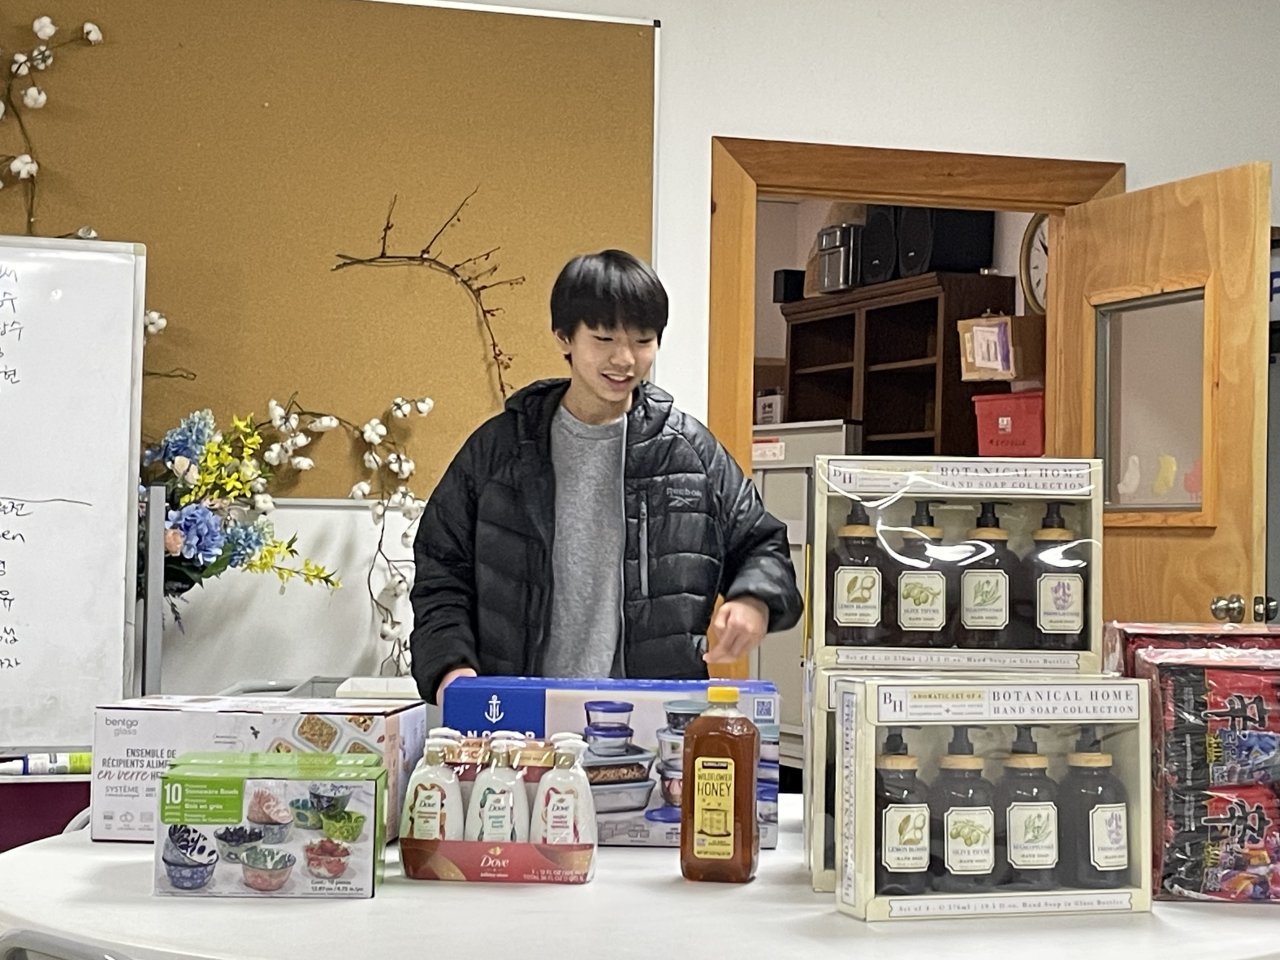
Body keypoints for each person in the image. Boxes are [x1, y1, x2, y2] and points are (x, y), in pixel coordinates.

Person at [409, 249, 802, 704]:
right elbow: (441, 570)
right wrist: (451, 666)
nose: (625, 359)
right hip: (518, 717)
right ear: (564, 338)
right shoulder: (501, 450)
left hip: (655, 718)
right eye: (603, 339)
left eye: (642, 340)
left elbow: (762, 544)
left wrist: (753, 600)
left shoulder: (689, 452)